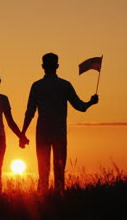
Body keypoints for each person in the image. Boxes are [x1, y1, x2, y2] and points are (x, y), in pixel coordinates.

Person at [21, 53, 99, 193]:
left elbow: (30, 112)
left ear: (43, 66)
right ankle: (60, 199)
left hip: (43, 133)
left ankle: (42, 200)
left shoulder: (37, 86)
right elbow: (80, 107)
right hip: (59, 133)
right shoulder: (65, 85)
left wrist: (23, 133)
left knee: (43, 172)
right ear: (57, 66)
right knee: (59, 171)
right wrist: (91, 102)